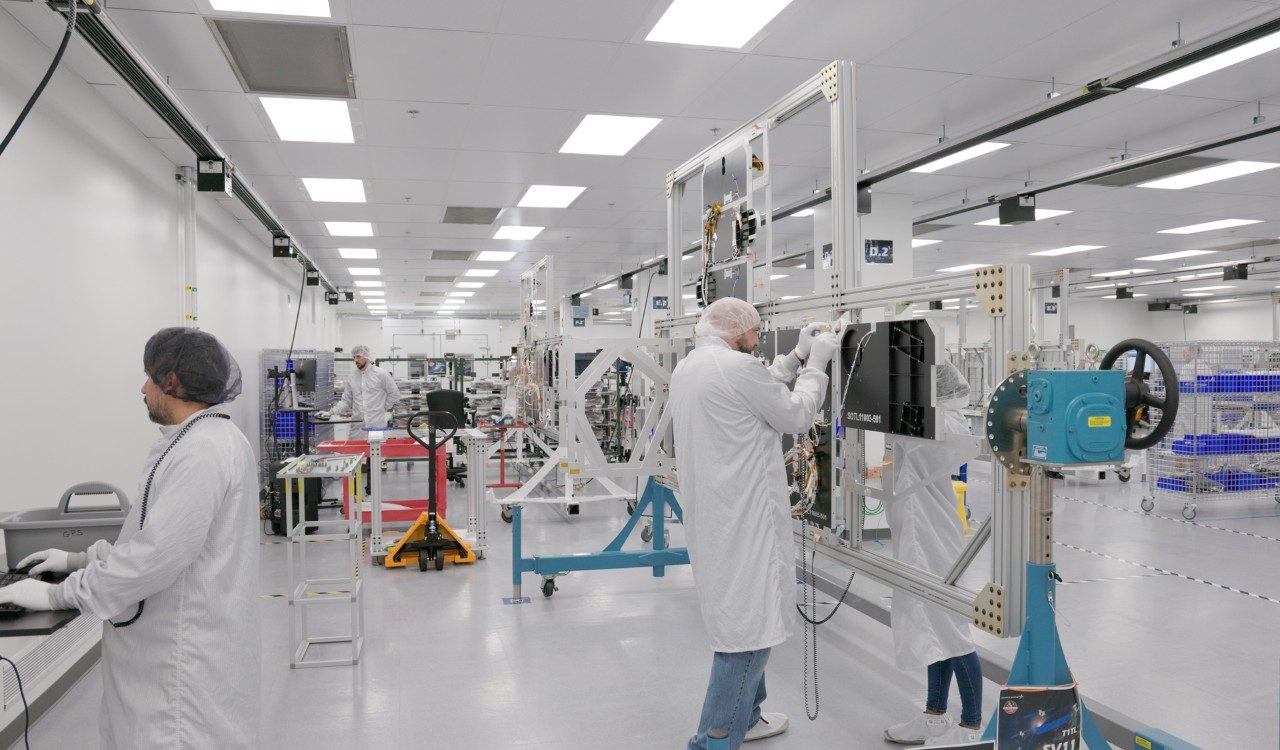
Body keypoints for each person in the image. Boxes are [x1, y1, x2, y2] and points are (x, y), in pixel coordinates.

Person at [0, 328, 260, 749]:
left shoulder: (203, 451)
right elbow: (152, 536)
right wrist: (78, 560)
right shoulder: (200, 440)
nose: (142, 388)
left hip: (180, 660)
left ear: (171, 381)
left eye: (148, 377)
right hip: (173, 649)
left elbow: (154, 558)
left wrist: (55, 596)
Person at [671, 297, 840, 750]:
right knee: (748, 632)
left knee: (740, 614)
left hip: (715, 515)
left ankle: (752, 716)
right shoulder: (735, 368)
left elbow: (755, 385)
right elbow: (795, 413)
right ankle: (713, 737)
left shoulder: (691, 367)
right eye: (755, 332)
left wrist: (797, 356)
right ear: (735, 329)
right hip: (743, 517)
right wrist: (817, 366)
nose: (758, 339)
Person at [883, 361, 985, 746]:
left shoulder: (941, 424)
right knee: (932, 627)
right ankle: (935, 715)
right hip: (919, 533)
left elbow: (905, 439)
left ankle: (972, 725)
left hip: (932, 538)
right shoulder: (934, 420)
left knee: (951, 630)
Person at [319, 344, 399, 429]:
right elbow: (346, 401)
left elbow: (395, 394)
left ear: (366, 356)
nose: (355, 360)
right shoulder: (352, 377)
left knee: (376, 442)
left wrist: (382, 407)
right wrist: (330, 413)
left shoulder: (381, 374)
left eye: (358, 356)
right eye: (354, 357)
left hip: (377, 425)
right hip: (357, 427)